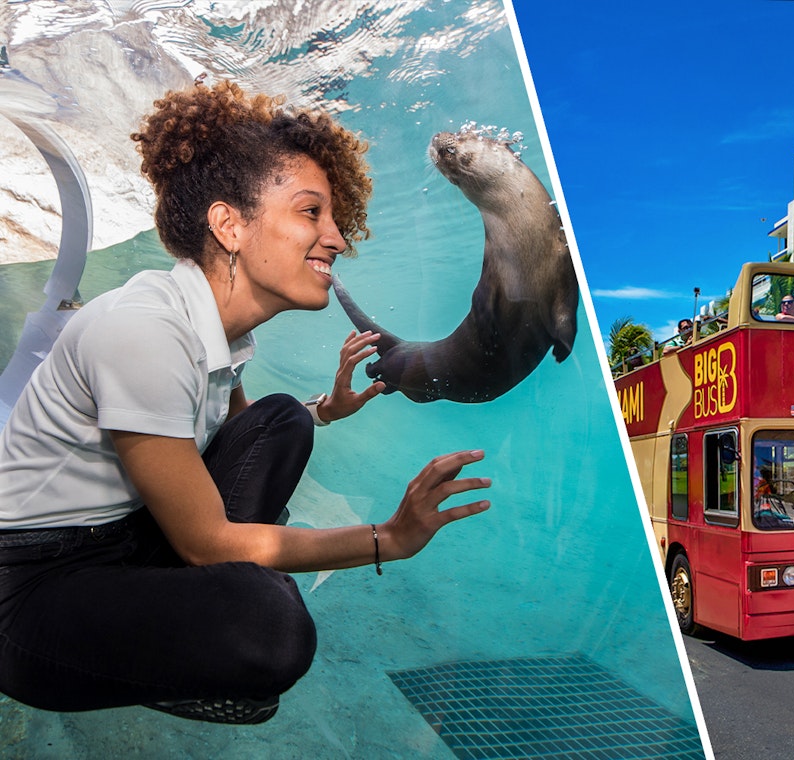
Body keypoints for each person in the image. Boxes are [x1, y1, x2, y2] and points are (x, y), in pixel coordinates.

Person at [0, 80, 490, 724]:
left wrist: (325, 412)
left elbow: (237, 432)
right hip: (29, 588)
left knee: (282, 418)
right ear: (229, 225)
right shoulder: (146, 330)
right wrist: (386, 539)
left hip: (124, 536)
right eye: (311, 212)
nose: (338, 239)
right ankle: (159, 653)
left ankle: (185, 614)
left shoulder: (216, 331)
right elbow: (206, 542)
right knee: (271, 633)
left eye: (335, 220)